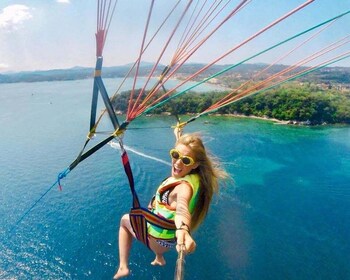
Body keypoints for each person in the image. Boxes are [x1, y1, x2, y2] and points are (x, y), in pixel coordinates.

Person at [113, 127, 229, 279]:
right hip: (166, 240)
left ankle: (123, 267)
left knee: (124, 220)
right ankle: (159, 257)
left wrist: (183, 229)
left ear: (195, 164)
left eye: (186, 160)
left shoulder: (183, 188)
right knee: (154, 237)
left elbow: (182, 207)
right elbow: (182, 155)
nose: (178, 163)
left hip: (157, 239)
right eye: (175, 155)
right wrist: (178, 135)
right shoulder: (195, 176)